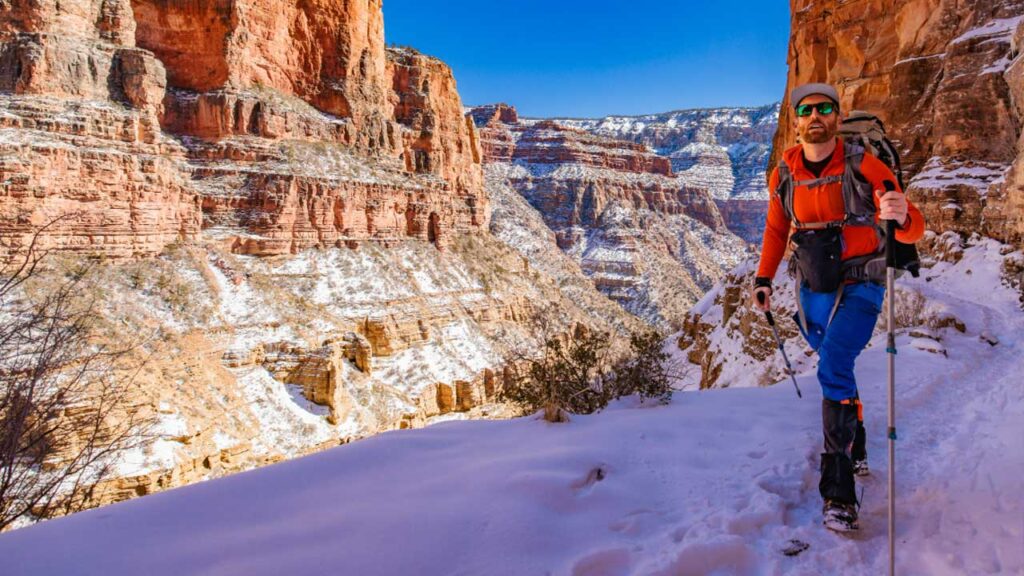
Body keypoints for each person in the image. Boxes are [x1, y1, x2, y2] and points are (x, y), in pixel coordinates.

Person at [751, 82, 925, 531]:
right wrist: (763, 278)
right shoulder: (784, 175)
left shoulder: (864, 164)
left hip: (862, 282)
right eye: (806, 109)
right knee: (834, 363)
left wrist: (902, 213)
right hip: (813, 283)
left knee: (832, 366)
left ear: (835, 115)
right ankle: (857, 438)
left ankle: (839, 494)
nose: (815, 116)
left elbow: (911, 228)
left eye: (824, 108)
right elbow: (775, 230)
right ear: (796, 121)